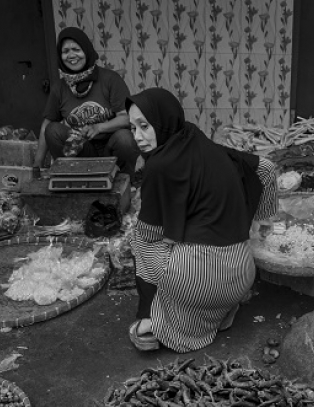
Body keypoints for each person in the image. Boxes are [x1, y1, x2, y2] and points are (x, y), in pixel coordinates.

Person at [125, 88, 277, 352]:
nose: (138, 137)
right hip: (241, 276)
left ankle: (152, 321)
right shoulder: (202, 142)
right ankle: (217, 316)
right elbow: (266, 168)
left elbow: (150, 234)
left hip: (199, 284)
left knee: (139, 238)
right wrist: (261, 221)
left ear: (162, 123)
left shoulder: (158, 166)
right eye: (133, 128)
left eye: (144, 126)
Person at [33, 27, 139, 175]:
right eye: (65, 51)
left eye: (76, 49)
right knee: (53, 130)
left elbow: (127, 118)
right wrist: (37, 163)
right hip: (81, 149)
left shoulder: (110, 79)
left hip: (111, 146)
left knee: (125, 138)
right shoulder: (60, 88)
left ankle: (124, 181)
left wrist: (99, 128)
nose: (71, 55)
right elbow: (47, 125)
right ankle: (72, 176)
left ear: (86, 50)